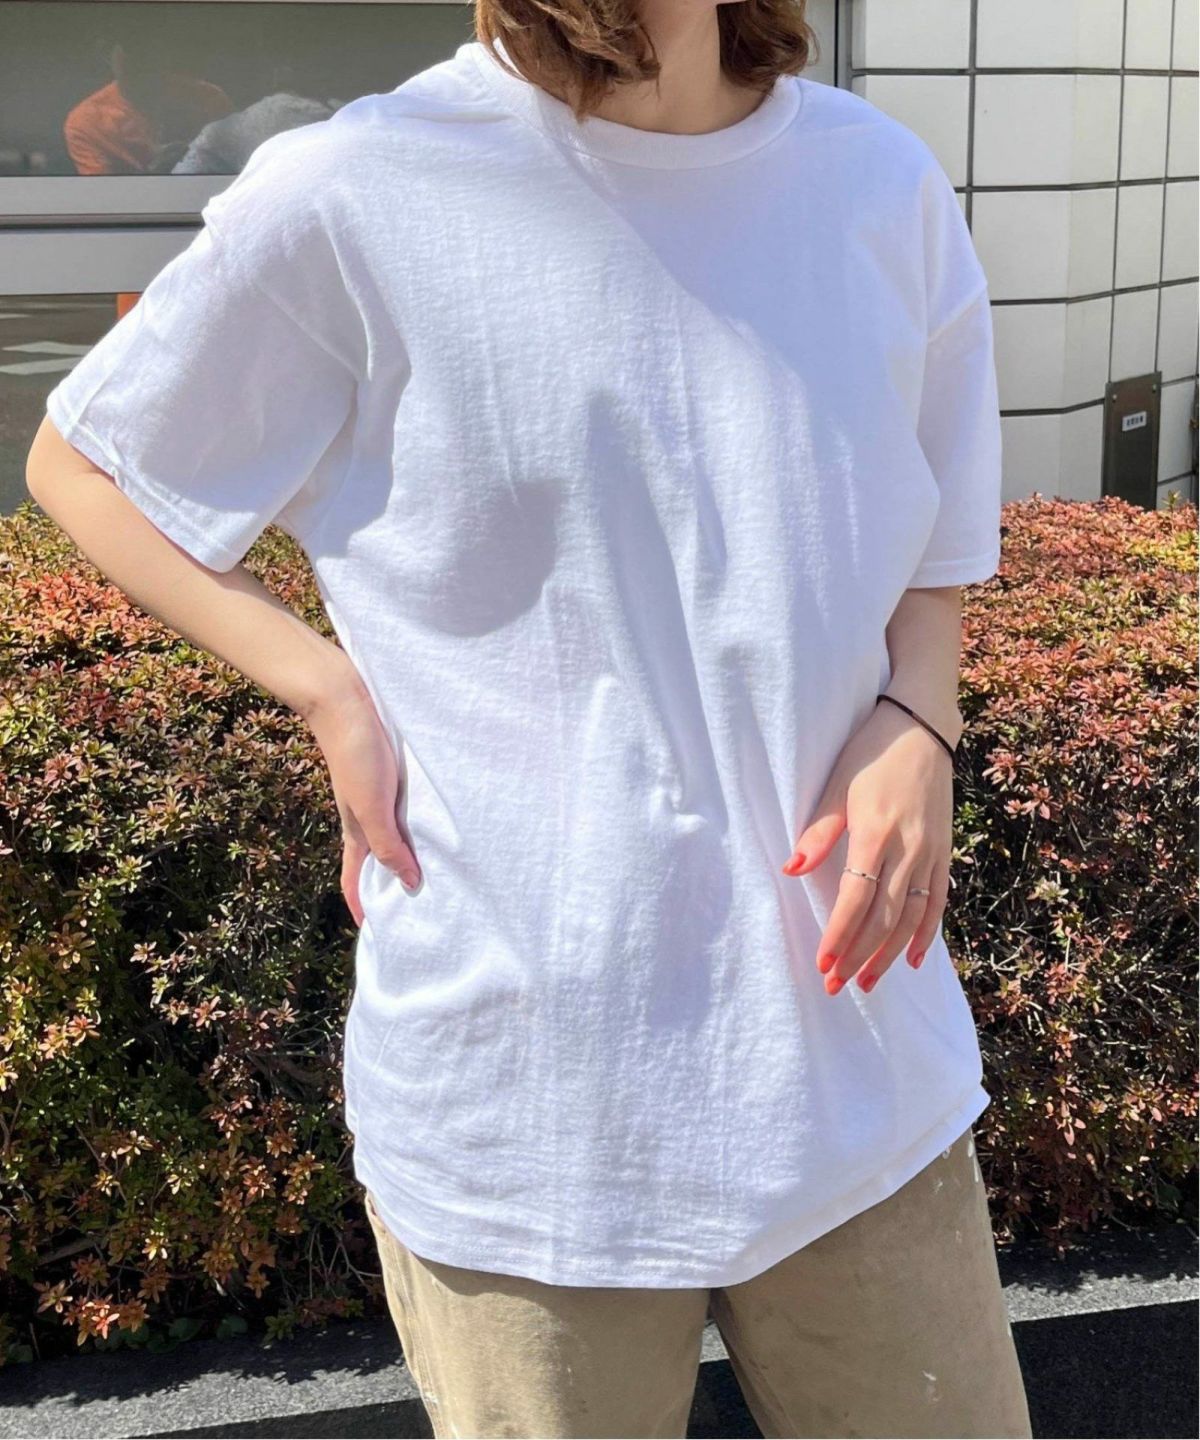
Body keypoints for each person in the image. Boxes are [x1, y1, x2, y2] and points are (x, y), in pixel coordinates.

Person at [25, 0, 1033, 1434]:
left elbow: (939, 526)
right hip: (526, 1106)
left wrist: (917, 717)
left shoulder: (879, 180)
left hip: (862, 1066)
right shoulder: (363, 186)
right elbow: (89, 462)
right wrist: (326, 688)